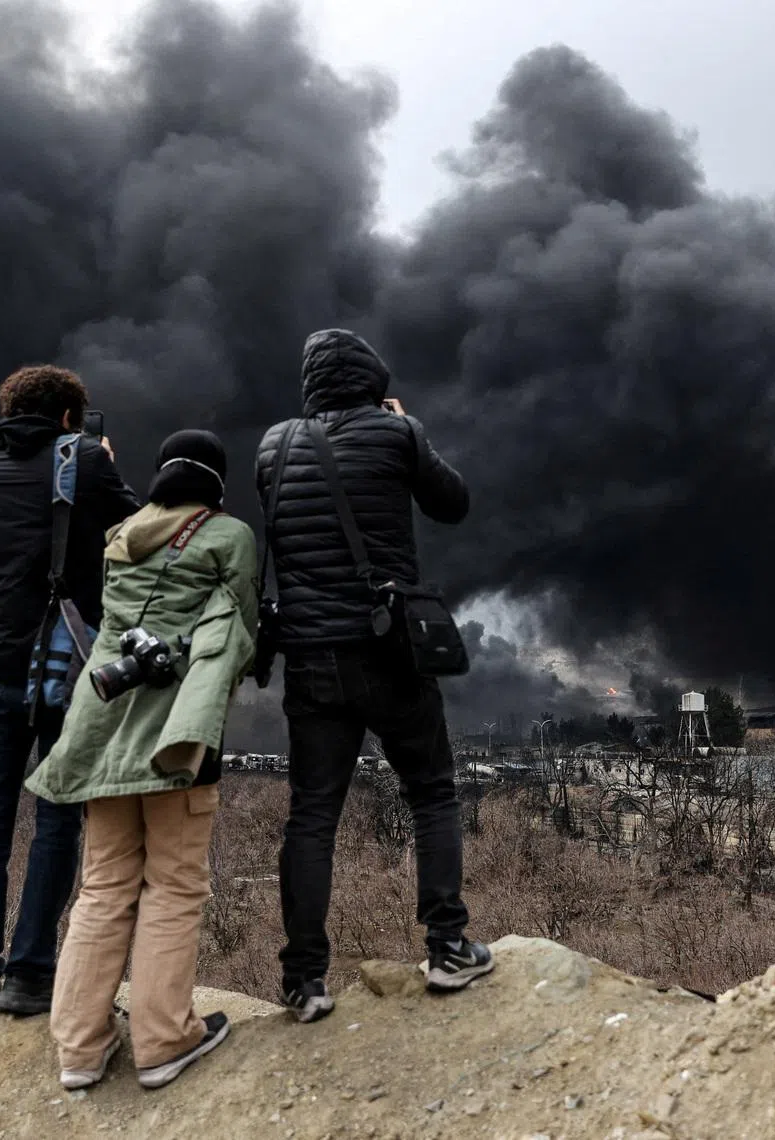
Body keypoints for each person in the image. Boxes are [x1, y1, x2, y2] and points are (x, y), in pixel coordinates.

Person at [256, 328, 493, 1024]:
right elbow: (453, 502)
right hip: (390, 649)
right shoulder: (397, 433)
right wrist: (403, 430)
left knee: (312, 817)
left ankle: (303, 983)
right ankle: (448, 947)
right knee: (431, 793)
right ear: (371, 378)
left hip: (312, 659)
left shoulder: (274, 445)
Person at [26, 430, 258, 1091]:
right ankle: (163, 1041)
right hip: (174, 739)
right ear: (215, 483)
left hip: (101, 731)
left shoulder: (121, 539)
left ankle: (79, 1048)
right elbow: (238, 633)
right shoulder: (230, 535)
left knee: (101, 888)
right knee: (175, 885)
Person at [0, 365, 138, 1025]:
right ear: (68, 417)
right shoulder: (84, 460)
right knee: (57, 818)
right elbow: (143, 530)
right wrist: (101, 466)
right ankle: (29, 977)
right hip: (65, 664)